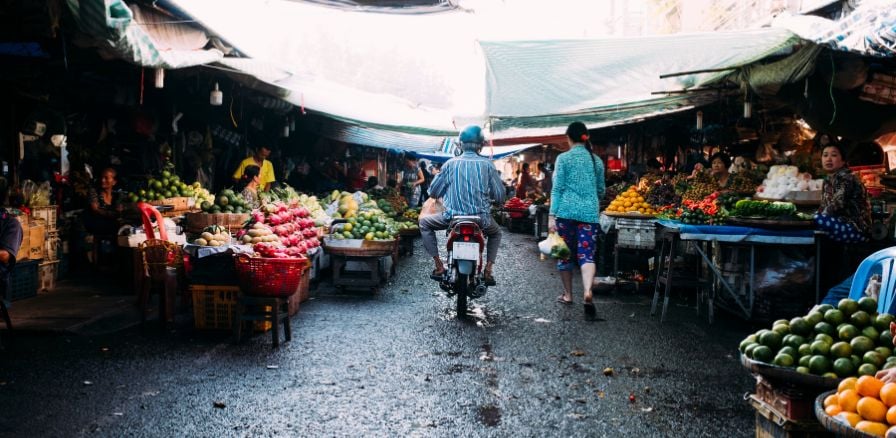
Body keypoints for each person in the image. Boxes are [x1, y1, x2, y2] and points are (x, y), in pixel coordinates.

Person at [421, 125, 505, 286]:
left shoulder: (449, 164)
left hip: (452, 218)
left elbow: (433, 192)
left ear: (460, 144)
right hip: (482, 219)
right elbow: (500, 195)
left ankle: (439, 266)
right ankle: (488, 270)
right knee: (496, 234)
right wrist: (497, 201)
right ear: (481, 145)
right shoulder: (488, 165)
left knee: (424, 223)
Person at [548, 121, 605, 318]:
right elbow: (601, 190)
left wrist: (551, 216)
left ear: (569, 138)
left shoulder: (563, 158)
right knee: (587, 254)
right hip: (589, 214)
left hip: (565, 213)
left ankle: (568, 294)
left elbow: (557, 189)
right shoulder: (596, 160)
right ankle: (588, 291)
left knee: (563, 253)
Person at [814, 142, 872, 243]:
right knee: (813, 221)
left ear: (843, 161)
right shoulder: (827, 180)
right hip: (837, 224)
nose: (828, 159)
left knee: (815, 220)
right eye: (825, 155)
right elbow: (824, 206)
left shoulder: (847, 177)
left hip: (855, 228)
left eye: (834, 155)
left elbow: (838, 203)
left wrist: (817, 217)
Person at [84, 167, 124, 237]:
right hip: (96, 231)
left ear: (114, 182)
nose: (102, 180)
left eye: (106, 178)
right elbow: (96, 210)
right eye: (102, 177)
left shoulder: (117, 195)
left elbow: (120, 210)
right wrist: (114, 214)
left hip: (112, 231)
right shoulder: (94, 191)